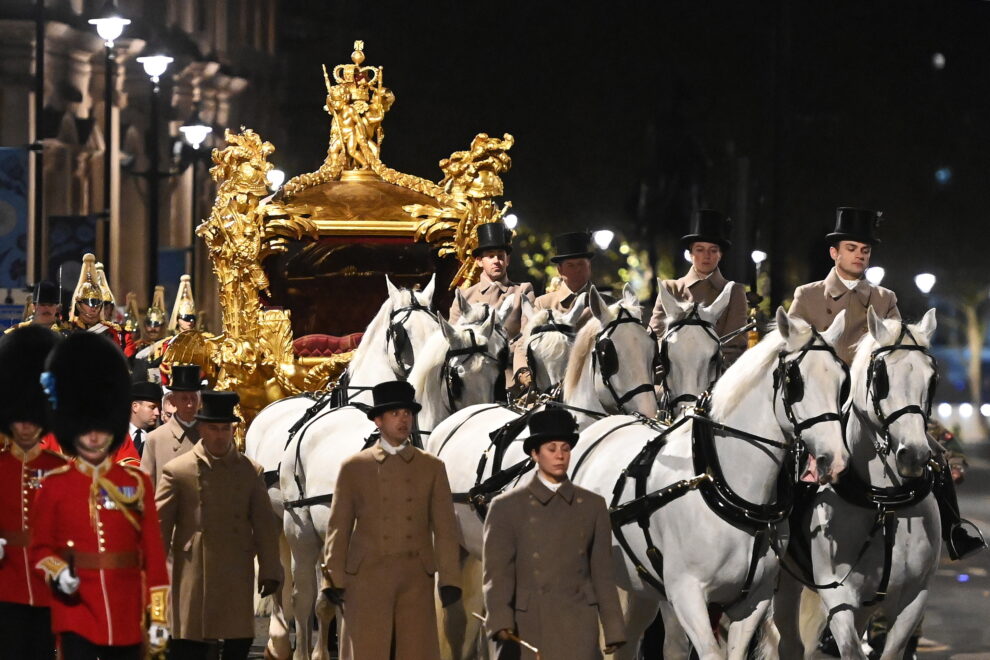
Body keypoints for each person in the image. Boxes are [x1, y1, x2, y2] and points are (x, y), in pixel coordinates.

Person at [30, 332, 170, 660]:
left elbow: (152, 554)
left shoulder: (134, 481)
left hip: (127, 609)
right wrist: (58, 572)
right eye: (85, 428)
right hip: (76, 611)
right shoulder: (56, 483)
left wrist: (159, 615)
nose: (93, 436)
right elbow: (40, 548)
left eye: (101, 428)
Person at [321, 380, 461, 660]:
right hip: (367, 577)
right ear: (378, 420)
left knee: (414, 651)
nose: (404, 419)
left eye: (407, 413)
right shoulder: (354, 467)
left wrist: (450, 579)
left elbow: (445, 530)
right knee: (368, 650)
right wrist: (332, 579)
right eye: (395, 413)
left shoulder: (432, 466)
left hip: (415, 578)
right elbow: (339, 527)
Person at [482, 408, 626, 659]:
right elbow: (497, 574)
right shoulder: (506, 507)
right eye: (551, 448)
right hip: (527, 625)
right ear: (535, 454)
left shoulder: (593, 505)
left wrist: (613, 628)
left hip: (579, 623)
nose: (560, 456)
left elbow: (602, 572)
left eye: (565, 448)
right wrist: (500, 620)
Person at [156, 390, 281, 660]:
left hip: (236, 568)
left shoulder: (250, 470)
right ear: (201, 428)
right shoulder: (178, 471)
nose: (220, 434)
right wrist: (154, 576)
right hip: (193, 570)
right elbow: (159, 527)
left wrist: (271, 568)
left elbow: (264, 525)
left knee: (238, 639)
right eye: (214, 428)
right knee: (190, 642)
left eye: (226, 428)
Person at [0, 325, 67, 660]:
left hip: (46, 584)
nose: (25, 424)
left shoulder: (58, 466)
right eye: (19, 418)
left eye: (32, 417)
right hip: (4, 583)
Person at [789, 208, 899, 366]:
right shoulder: (807, 295)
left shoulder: (885, 298)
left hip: (866, 388)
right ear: (834, 253)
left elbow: (898, 354)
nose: (859, 255)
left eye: (865, 251)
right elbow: (789, 347)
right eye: (851, 248)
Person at [648, 209, 748, 366]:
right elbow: (655, 336)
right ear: (690, 254)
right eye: (700, 249)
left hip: (715, 377)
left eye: (713, 250)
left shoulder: (734, 291)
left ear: (720, 255)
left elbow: (734, 344)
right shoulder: (670, 288)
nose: (706, 256)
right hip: (672, 375)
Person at [449, 221, 536, 385]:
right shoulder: (464, 296)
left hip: (512, 376)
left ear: (507, 260)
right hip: (471, 376)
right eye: (490, 256)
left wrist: (508, 359)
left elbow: (527, 335)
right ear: (479, 261)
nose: (496, 260)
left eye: (501, 256)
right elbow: (453, 340)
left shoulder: (522, 291)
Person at [512, 231, 603, 386]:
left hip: (595, 382)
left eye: (581, 264)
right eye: (571, 265)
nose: (577, 270)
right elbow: (523, 342)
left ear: (589, 267)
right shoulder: (543, 304)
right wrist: (523, 372)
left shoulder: (605, 304)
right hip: (548, 382)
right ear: (560, 270)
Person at [141, 364, 203, 490]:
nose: (190, 404)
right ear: (173, 401)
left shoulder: (209, 435)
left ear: (200, 401)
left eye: (193, 398)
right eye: (184, 399)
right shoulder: (156, 438)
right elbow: (146, 486)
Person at [65, 253, 125, 349]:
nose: (94, 308)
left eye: (98, 303)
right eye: (89, 302)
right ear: (78, 304)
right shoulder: (66, 331)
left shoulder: (111, 333)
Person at [129, 381, 163, 458]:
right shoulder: (114, 434)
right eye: (152, 407)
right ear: (135, 407)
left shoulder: (158, 437)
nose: (157, 413)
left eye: (159, 408)